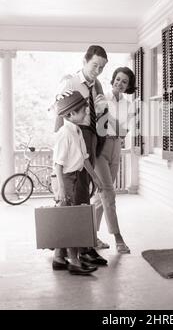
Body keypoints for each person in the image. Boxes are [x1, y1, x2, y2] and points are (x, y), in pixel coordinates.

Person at [55, 45, 109, 265]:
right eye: (95, 64)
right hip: (74, 134)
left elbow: (102, 115)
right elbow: (60, 112)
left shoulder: (97, 85)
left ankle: (84, 246)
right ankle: (78, 250)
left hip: (90, 135)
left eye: (102, 67)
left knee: (85, 193)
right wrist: (58, 141)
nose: (98, 70)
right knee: (76, 196)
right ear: (84, 61)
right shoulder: (70, 82)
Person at [52, 91, 103, 274]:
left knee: (71, 217)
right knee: (70, 220)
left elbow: (85, 158)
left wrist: (95, 178)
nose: (86, 113)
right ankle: (73, 261)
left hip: (78, 176)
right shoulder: (64, 134)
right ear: (71, 114)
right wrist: (62, 188)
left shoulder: (78, 131)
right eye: (83, 111)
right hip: (67, 179)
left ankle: (58, 258)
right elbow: (58, 165)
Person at [93, 66, 136, 253]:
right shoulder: (102, 99)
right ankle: (119, 239)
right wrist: (111, 120)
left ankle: (90, 237)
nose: (120, 83)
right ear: (113, 80)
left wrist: (108, 117)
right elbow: (97, 126)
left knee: (100, 198)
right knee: (109, 194)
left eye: (124, 81)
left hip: (116, 147)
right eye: (118, 79)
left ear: (128, 86)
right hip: (100, 148)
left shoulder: (128, 105)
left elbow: (124, 131)